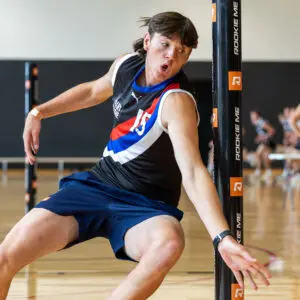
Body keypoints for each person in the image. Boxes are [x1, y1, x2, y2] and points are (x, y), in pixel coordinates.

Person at [0, 12, 271, 300]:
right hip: (96, 186)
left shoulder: (176, 101)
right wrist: (39, 112)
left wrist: (222, 237)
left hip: (146, 207)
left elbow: (192, 171)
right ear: (147, 41)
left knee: (168, 244)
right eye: (165, 44)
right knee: (6, 255)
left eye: (181, 52)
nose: (170, 56)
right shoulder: (125, 67)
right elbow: (93, 91)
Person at [250, 110, 276, 181]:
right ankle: (268, 171)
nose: (251, 117)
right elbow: (262, 133)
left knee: (258, 154)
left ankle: (258, 170)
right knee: (264, 156)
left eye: (253, 115)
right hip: (265, 142)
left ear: (257, 115)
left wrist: (263, 137)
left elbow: (272, 131)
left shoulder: (260, 122)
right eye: (251, 115)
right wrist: (259, 138)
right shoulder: (257, 123)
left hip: (267, 143)